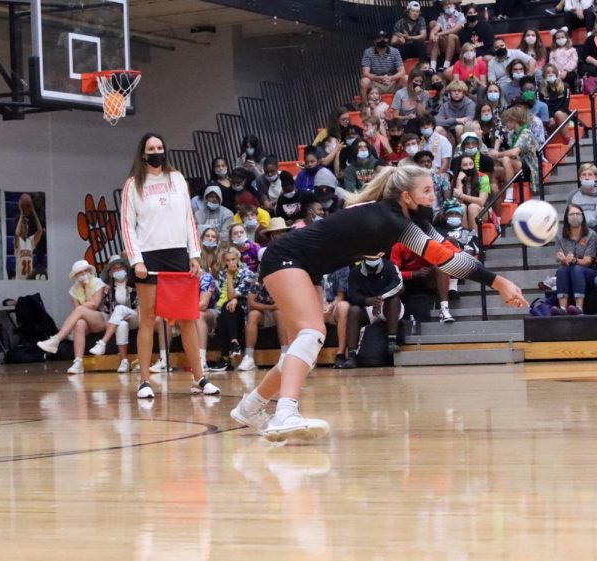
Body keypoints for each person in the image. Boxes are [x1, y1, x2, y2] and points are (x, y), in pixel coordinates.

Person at [230, 165, 526, 442]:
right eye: (426, 191)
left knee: (304, 346)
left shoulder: (412, 218)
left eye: (433, 189)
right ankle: (285, 414)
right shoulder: (390, 219)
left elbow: (449, 250)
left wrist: (487, 271)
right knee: (312, 334)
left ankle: (251, 407)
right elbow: (444, 260)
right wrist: (498, 282)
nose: (433, 195)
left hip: (308, 266)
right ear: (406, 196)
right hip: (286, 256)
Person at [116, 132, 220, 398]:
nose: (156, 151)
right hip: (148, 257)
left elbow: (188, 217)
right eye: (151, 148)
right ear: (143, 153)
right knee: (148, 318)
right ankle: (145, 381)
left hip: (178, 255)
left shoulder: (177, 179)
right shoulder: (132, 184)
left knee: (186, 318)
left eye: (160, 147)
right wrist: (136, 260)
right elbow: (127, 225)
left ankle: (199, 378)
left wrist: (194, 254)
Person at [37, 260, 108, 375]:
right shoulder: (73, 291)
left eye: (86, 271)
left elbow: (94, 305)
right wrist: (83, 307)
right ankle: (78, 362)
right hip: (86, 321)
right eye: (80, 272)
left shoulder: (98, 283)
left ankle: (56, 339)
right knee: (79, 323)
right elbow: (78, 313)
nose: (84, 274)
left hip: (101, 318)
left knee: (80, 310)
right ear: (76, 275)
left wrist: (87, 289)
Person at [342, 255, 405, 369]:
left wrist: (381, 297)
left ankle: (392, 340)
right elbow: (352, 295)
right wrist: (368, 301)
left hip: (389, 306)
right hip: (369, 307)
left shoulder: (390, 266)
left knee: (393, 300)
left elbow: (399, 286)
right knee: (353, 310)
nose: (372, 259)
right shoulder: (355, 272)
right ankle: (352, 355)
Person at [88, 255, 139, 373]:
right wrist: (120, 316)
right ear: (111, 273)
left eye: (120, 267)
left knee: (120, 309)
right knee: (121, 325)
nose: (118, 270)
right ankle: (124, 361)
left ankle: (103, 342)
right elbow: (108, 311)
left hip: (135, 316)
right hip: (120, 320)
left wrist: (125, 314)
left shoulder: (133, 285)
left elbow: (139, 306)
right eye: (115, 269)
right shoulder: (109, 291)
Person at [553, 203, 597, 315]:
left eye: (578, 214)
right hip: (567, 269)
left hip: (588, 271)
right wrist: (561, 258)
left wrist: (574, 260)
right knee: (561, 270)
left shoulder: (591, 234)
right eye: (572, 214)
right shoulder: (560, 235)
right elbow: (558, 254)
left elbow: (588, 261)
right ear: (566, 217)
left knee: (576, 269)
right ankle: (562, 308)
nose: (575, 216)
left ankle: (579, 308)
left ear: (582, 216)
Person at [213, 247, 255, 365]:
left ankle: (224, 357)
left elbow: (232, 295)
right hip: (227, 308)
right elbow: (226, 295)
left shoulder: (247, 273)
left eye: (233, 259)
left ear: (238, 259)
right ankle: (234, 343)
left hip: (244, 308)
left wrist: (230, 276)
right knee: (224, 313)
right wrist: (229, 275)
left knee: (227, 309)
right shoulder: (222, 273)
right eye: (227, 260)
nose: (231, 262)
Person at [493, 105, 541, 195]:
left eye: (506, 122)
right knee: (495, 172)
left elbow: (514, 152)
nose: (505, 124)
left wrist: (498, 154)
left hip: (530, 170)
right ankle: (497, 202)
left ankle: (509, 195)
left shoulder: (526, 133)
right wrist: (494, 157)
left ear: (513, 120)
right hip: (517, 166)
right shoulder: (513, 135)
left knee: (506, 159)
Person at [361, 30, 407, 101]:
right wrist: (379, 78)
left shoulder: (395, 51)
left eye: (385, 38)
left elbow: (402, 71)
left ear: (388, 40)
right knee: (364, 81)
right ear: (375, 41)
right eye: (379, 39)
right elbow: (365, 73)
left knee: (406, 78)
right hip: (376, 84)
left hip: (392, 82)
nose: (382, 40)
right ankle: (364, 105)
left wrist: (391, 78)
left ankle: (405, 105)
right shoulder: (368, 52)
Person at [567, 163, 597, 233]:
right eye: (584, 175)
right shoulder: (572, 195)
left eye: (590, 175)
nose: (587, 178)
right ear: (580, 178)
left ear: (595, 177)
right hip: (578, 228)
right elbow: (569, 215)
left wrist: (587, 225)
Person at [451, 155, 491, 228]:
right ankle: (466, 237)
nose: (469, 167)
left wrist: (461, 195)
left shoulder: (483, 177)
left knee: (472, 207)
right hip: (465, 211)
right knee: (461, 207)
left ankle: (474, 237)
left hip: (483, 211)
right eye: (465, 165)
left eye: (471, 164)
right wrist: (459, 181)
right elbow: (457, 202)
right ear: (460, 168)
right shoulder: (456, 179)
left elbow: (482, 202)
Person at [429, 0, 465, 71]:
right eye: (446, 4)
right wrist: (432, 34)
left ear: (454, 5)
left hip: (459, 45)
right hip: (446, 44)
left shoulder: (460, 15)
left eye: (450, 4)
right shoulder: (441, 17)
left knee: (451, 36)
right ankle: (433, 67)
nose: (448, 6)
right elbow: (436, 28)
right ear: (443, 7)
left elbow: (455, 30)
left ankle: (446, 65)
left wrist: (439, 33)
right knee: (436, 37)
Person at [13, 195, 41, 280]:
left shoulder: (30, 241)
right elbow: (17, 233)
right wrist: (21, 214)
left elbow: (40, 230)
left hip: (29, 280)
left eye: (27, 224)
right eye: (24, 224)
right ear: (20, 226)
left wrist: (33, 211)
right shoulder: (17, 240)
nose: (26, 226)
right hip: (19, 280)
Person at [548, 27, 580, 92]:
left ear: (567, 38)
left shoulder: (572, 50)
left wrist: (565, 70)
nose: (561, 39)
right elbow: (551, 63)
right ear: (555, 40)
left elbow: (573, 62)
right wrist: (558, 72)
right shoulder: (553, 52)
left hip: (569, 71)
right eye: (558, 38)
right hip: (557, 72)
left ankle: (573, 92)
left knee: (571, 77)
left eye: (562, 37)